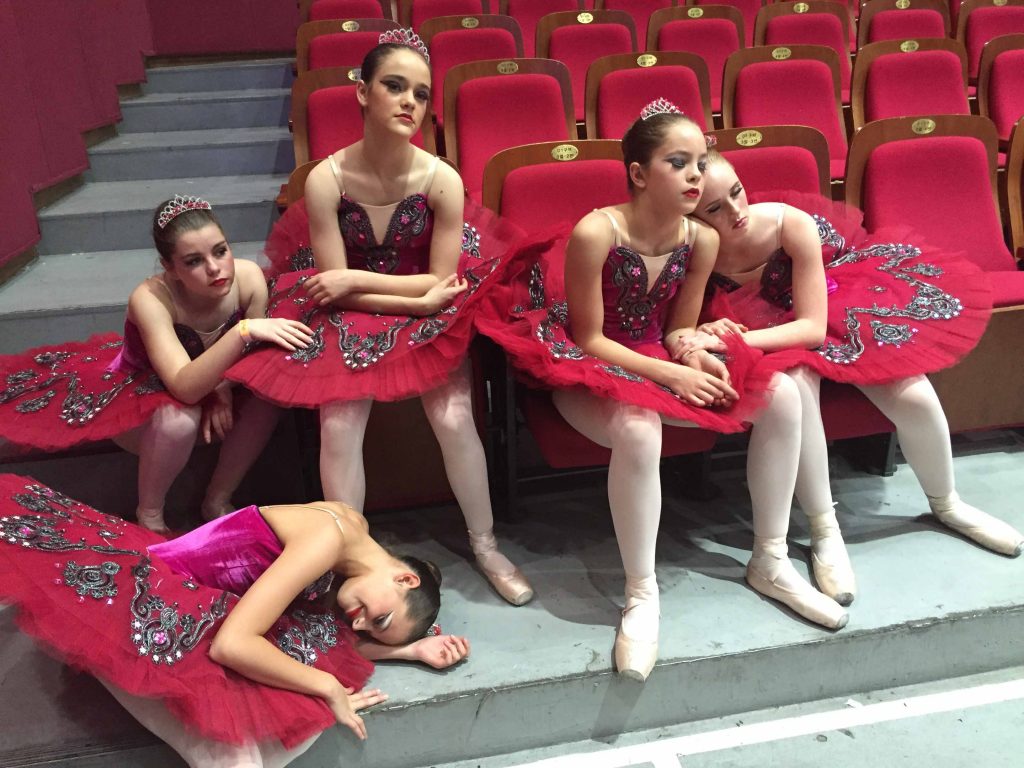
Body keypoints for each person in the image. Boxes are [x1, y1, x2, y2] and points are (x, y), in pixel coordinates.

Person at [475, 100, 849, 683]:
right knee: (638, 428)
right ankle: (641, 592)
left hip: (652, 356)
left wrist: (690, 350)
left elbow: (677, 325)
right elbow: (590, 338)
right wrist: (673, 373)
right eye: (679, 162)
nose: (697, 175)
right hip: (587, 364)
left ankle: (770, 558)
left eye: (701, 160)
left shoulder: (701, 239)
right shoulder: (597, 230)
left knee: (779, 393)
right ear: (639, 173)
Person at [226, 31, 533, 607]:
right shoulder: (327, 179)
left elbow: (438, 284)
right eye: (394, 86)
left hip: (420, 306)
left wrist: (389, 292)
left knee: (454, 418)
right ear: (361, 91)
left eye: (419, 93)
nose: (408, 103)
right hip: (350, 311)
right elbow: (333, 290)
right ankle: (350, 560)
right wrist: (385, 293)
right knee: (339, 427)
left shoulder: (441, 177)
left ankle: (486, 543)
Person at [689, 151, 1022, 605]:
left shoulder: (788, 224)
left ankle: (948, 503)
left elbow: (810, 327)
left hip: (823, 306)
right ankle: (826, 530)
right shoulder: (689, 251)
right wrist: (707, 332)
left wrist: (739, 343)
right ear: (690, 213)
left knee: (913, 395)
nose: (736, 212)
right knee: (800, 387)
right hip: (756, 330)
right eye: (715, 209)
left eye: (736, 192)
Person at [0, 474, 469, 766]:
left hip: (210, 602)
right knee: (247, 750)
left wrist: (406, 648)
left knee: (277, 739)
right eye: (379, 617)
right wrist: (326, 686)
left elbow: (322, 633)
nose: (360, 625)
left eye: (371, 630)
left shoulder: (351, 533)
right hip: (158, 590)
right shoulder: (328, 538)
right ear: (406, 578)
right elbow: (233, 646)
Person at [0, 196, 313, 534]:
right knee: (180, 418)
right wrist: (242, 331)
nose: (215, 268)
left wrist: (223, 388)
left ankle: (217, 500)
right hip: (145, 395)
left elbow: (256, 364)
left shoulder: (249, 279)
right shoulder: (150, 298)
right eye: (194, 261)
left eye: (220, 251)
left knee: (268, 399)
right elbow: (183, 386)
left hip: (217, 382)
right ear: (170, 268)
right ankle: (149, 514)